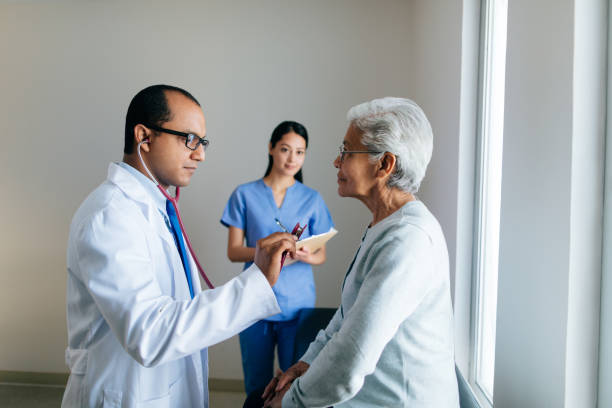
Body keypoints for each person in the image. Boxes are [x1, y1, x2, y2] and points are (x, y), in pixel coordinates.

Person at [62, 84, 296, 408]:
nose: (200, 154)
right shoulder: (110, 215)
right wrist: (256, 281)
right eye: (189, 139)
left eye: (203, 142)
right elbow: (150, 333)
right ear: (144, 137)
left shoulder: (159, 208)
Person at [262, 97, 459, 407]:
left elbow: (352, 356)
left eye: (346, 151)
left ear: (384, 164)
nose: (336, 161)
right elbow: (346, 319)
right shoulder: (385, 226)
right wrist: (306, 364)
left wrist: (290, 402)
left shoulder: (408, 240)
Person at [220, 121, 334, 396]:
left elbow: (321, 256)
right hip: (255, 301)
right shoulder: (244, 194)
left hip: (297, 305)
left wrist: (306, 254)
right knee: (257, 385)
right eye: (285, 149)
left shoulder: (312, 199)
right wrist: (269, 251)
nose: (292, 158)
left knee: (292, 387)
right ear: (271, 148)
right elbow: (234, 251)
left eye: (300, 152)